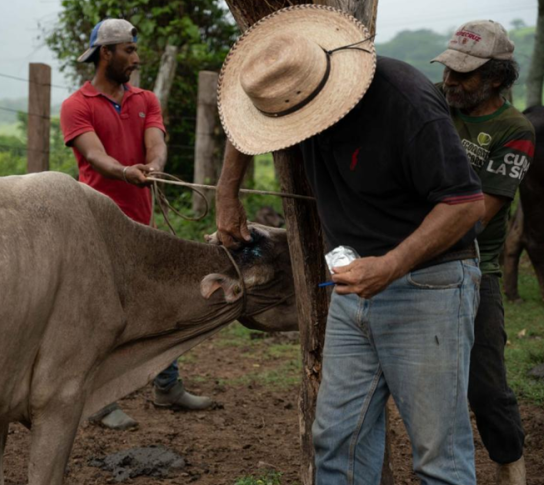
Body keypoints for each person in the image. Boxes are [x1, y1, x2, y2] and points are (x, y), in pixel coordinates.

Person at [213, 5, 484, 484]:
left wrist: (391, 265)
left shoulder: (406, 103)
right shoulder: (289, 89)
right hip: (352, 289)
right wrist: (227, 191)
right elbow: (244, 119)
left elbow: (465, 205)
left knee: (438, 457)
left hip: (428, 284)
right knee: (336, 442)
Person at [59, 18, 213, 430]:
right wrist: (126, 172)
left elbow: (156, 143)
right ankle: (99, 402)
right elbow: (94, 157)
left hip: (141, 223)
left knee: (160, 302)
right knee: (103, 313)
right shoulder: (77, 104)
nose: (136, 58)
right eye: (129, 50)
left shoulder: (146, 99)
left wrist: (154, 166)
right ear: (105, 53)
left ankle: (167, 386)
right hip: (97, 226)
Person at [432, 20, 533, 485]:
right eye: (448, 69)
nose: (450, 81)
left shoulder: (513, 129)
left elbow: (478, 217)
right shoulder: (433, 99)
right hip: (409, 255)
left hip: (474, 265)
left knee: (487, 387)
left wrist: (402, 240)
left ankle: (510, 464)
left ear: (495, 78)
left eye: (463, 74)